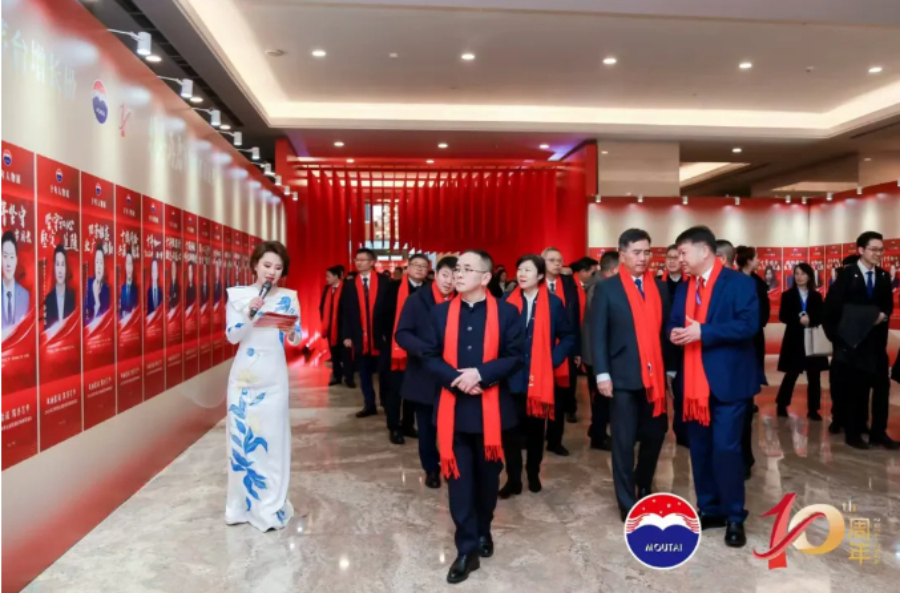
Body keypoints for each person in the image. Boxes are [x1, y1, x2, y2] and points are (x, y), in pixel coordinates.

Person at [420, 249, 524, 584]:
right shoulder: (439, 313)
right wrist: (456, 378)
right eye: (456, 269)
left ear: (486, 277)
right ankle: (466, 549)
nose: (458, 274)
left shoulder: (507, 312)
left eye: (467, 269)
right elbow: (428, 355)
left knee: (488, 482)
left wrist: (480, 374)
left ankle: (483, 530)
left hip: (492, 412)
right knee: (460, 484)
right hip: (454, 411)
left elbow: (515, 356)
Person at [668, 225, 761, 548]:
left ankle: (735, 515)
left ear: (704, 251)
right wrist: (674, 333)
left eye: (683, 252)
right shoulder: (686, 287)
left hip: (729, 383)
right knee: (700, 450)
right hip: (694, 386)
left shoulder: (739, 283)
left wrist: (704, 332)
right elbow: (674, 321)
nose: (680, 259)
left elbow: (748, 325)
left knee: (726, 449)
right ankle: (710, 508)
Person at [592, 229, 672, 521]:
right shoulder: (607, 289)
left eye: (647, 252)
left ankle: (644, 483)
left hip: (654, 379)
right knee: (623, 442)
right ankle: (627, 502)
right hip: (622, 377)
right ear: (622, 254)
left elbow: (664, 334)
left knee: (655, 434)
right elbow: (598, 334)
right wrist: (602, 373)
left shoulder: (660, 288)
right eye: (636, 252)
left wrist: (670, 369)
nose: (643, 258)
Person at [224, 240, 301, 531]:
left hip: (274, 379)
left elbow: (296, 336)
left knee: (273, 441)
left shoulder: (289, 298)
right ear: (255, 265)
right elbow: (233, 336)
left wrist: (292, 331)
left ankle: (271, 505)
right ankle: (241, 506)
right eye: (267, 265)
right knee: (242, 443)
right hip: (244, 379)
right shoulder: (238, 296)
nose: (272, 272)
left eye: (278, 268)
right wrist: (249, 313)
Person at [500, 254, 575, 497]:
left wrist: (552, 359)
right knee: (510, 432)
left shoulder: (553, 303)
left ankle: (533, 473)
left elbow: (568, 336)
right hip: (511, 377)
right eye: (519, 269)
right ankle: (513, 479)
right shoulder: (506, 301)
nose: (521, 274)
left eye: (528, 270)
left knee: (535, 432)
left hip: (539, 378)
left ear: (540, 275)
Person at [823, 232, 897, 450]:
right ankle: (853, 432)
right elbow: (831, 310)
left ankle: (878, 433)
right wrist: (839, 340)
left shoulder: (883, 276)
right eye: (873, 249)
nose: (878, 254)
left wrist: (883, 315)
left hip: (876, 345)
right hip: (852, 345)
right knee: (854, 390)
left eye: (881, 250)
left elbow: (887, 305)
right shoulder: (847, 276)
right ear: (861, 250)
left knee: (882, 388)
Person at [394, 256, 458, 489]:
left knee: (454, 427)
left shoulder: (462, 300)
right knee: (426, 429)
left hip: (453, 375)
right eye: (445, 275)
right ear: (435, 274)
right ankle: (431, 468)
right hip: (424, 374)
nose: (449, 282)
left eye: (454, 277)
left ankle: (452, 465)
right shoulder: (416, 300)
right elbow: (402, 333)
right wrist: (425, 350)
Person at [383, 253, 430, 444]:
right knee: (395, 390)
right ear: (408, 268)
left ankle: (408, 424)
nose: (419, 268)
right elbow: (381, 314)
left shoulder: (430, 290)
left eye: (423, 266)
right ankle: (394, 427)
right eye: (416, 265)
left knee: (413, 390)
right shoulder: (393, 287)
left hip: (418, 349)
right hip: (395, 346)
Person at [340, 248, 390, 417]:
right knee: (364, 373)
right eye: (357, 260)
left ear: (372, 262)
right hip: (359, 336)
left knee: (384, 373)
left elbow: (390, 310)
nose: (359, 263)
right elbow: (346, 312)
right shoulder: (349, 285)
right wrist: (346, 335)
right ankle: (369, 404)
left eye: (363, 260)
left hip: (381, 336)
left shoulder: (384, 281)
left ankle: (386, 402)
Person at [776, 263, 828, 421]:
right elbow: (783, 316)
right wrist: (798, 319)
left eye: (803, 274)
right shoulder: (787, 295)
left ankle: (813, 409)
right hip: (794, 339)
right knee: (791, 374)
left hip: (812, 338)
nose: (799, 277)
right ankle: (782, 404)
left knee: (814, 375)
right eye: (797, 273)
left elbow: (822, 315)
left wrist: (810, 319)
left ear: (809, 276)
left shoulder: (816, 296)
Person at [542, 247, 581, 444]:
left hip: (564, 348)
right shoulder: (534, 283)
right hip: (538, 349)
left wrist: (577, 350)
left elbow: (575, 318)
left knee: (560, 396)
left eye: (559, 260)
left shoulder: (568, 284)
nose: (557, 263)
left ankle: (555, 440)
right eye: (552, 260)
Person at [583, 251, 619, 450]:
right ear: (614, 269)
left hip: (598, 351)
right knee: (602, 397)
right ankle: (598, 436)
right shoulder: (599, 287)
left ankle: (596, 430)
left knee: (602, 398)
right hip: (596, 352)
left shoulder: (598, 284)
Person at [661, 244, 688, 446]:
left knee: (680, 391)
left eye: (675, 257)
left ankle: (681, 431)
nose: (671, 261)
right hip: (661, 344)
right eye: (668, 257)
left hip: (683, 344)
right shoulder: (656, 284)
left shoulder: (689, 285)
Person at [320, 265, 353, 387]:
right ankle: (337, 376)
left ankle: (349, 378)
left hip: (344, 328)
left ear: (336, 276)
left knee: (346, 355)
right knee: (335, 355)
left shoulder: (347, 288)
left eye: (328, 276)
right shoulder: (327, 289)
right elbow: (322, 306)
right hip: (331, 327)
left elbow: (350, 309)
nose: (326, 279)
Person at [2, 231, 30, 339]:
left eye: (12, 257)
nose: (8, 263)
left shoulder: (25, 296)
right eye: (5, 256)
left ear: (16, 260)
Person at [44, 244, 76, 329]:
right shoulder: (48, 300)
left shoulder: (73, 298)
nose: (60, 270)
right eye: (57, 264)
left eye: (62, 264)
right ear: (54, 267)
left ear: (66, 268)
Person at [84, 243, 111, 324]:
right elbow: (84, 318)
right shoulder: (88, 284)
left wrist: (97, 301)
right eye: (97, 262)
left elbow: (105, 321)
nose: (99, 266)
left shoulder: (107, 290)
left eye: (101, 263)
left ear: (104, 266)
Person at [119, 249, 139, 318]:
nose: (129, 267)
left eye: (130, 264)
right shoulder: (122, 288)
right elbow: (120, 310)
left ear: (133, 267)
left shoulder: (136, 289)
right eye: (128, 264)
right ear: (125, 266)